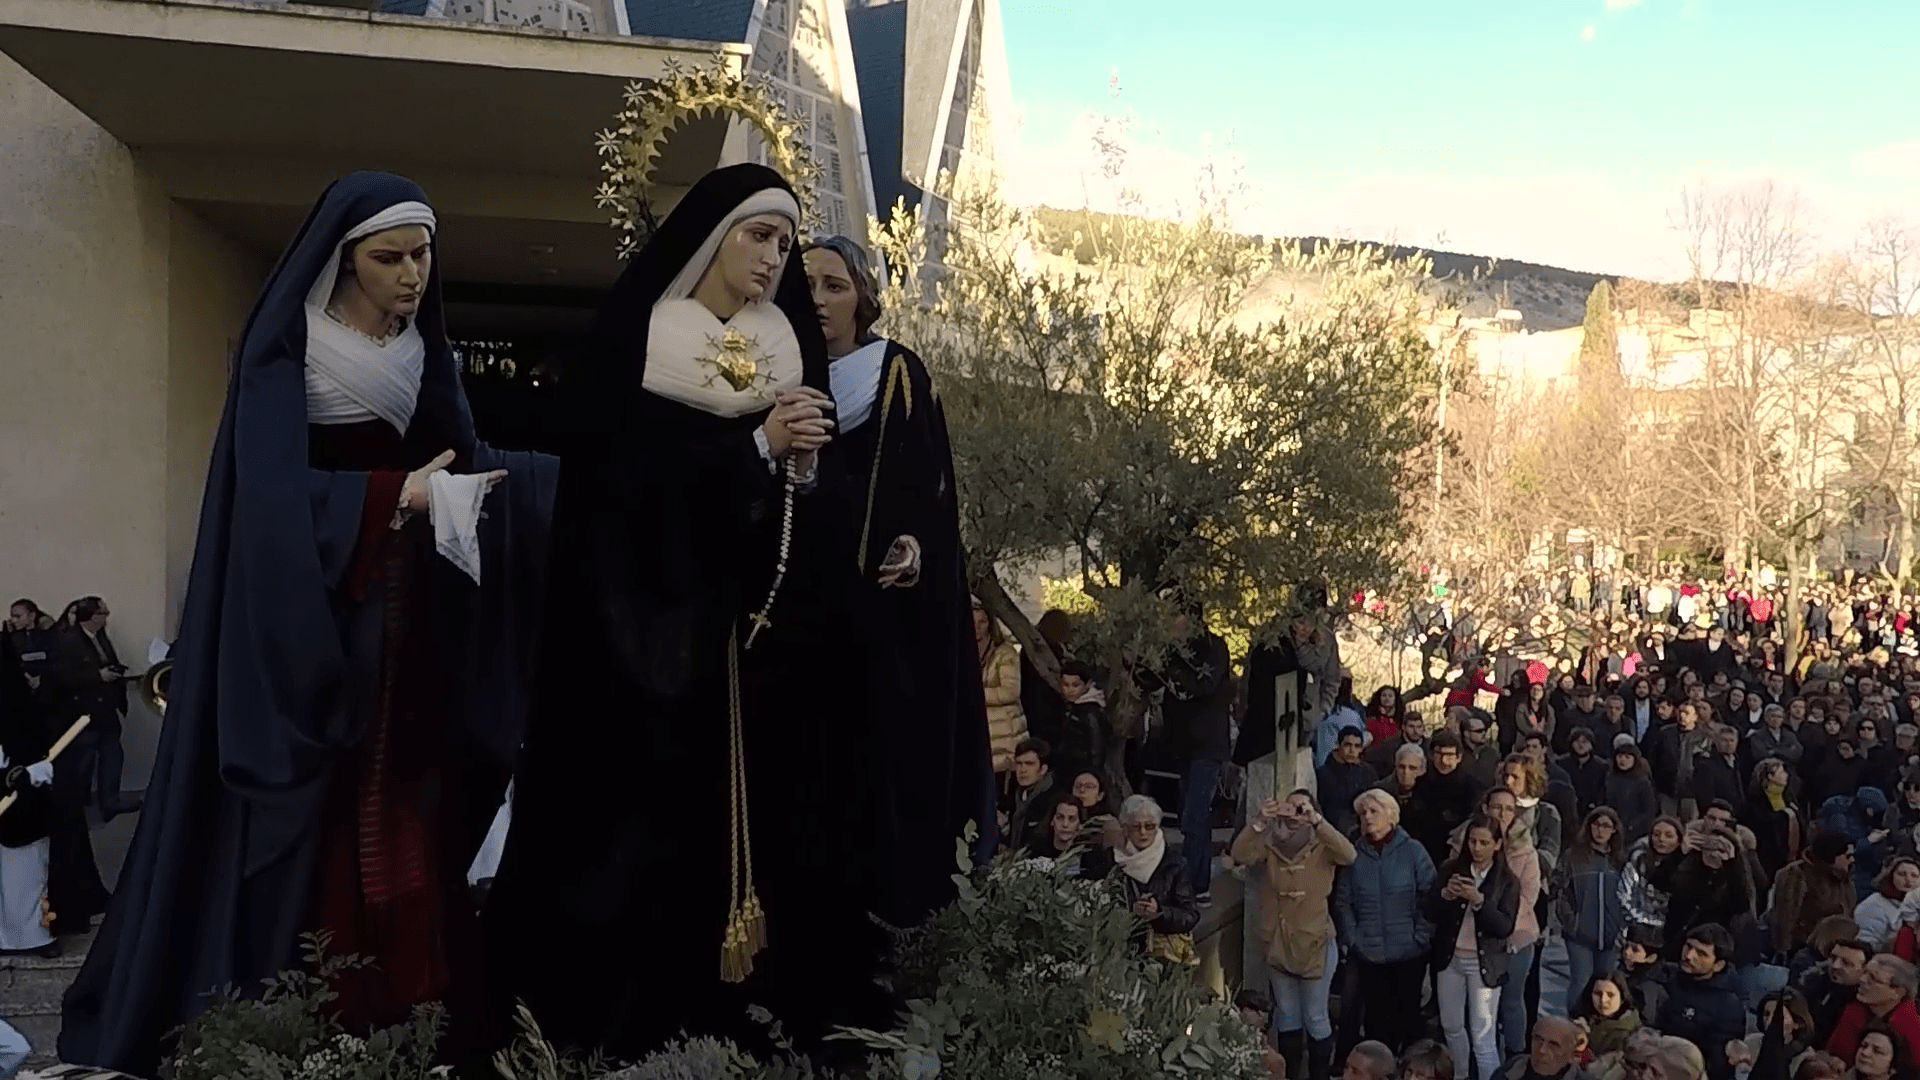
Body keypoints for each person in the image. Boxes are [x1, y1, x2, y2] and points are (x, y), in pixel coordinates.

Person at [61, 173, 559, 1076]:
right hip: (314, 632)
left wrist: (544, 490)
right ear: (342, 258)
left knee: (408, 811)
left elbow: (469, 461)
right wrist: (391, 498)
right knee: (323, 828)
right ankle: (301, 1022)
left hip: (409, 637)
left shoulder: (418, 354)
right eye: (390, 257)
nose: (413, 275)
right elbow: (268, 504)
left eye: (423, 255)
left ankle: (412, 1017)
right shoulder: (287, 355)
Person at [483, 164, 904, 1060]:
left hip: (757, 662)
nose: (772, 258)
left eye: (785, 243)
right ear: (714, 236)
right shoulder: (643, 345)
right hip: (645, 662)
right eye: (759, 236)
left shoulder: (790, 354)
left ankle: (739, 1036)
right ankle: (615, 1038)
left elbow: (808, 525)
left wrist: (803, 472)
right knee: (635, 854)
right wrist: (754, 445)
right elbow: (618, 497)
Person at [801, 234, 993, 904]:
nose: (819, 299)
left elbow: (927, 484)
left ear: (863, 296)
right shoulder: (773, 369)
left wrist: (915, 544)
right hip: (797, 601)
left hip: (878, 610)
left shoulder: (894, 371)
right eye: (809, 285)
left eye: (834, 285)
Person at [1233, 790, 1357, 1080]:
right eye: (1291, 807)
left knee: (1315, 1016)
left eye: (1303, 807)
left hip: (1315, 941)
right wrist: (1259, 822)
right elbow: (1239, 854)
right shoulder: (1270, 842)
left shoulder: (1323, 844)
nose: (1296, 813)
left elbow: (1349, 854)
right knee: (1287, 1013)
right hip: (1278, 940)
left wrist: (1317, 822)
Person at [1335, 788, 1437, 1054]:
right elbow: (1343, 901)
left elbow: (1431, 896)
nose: (1367, 818)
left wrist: (1421, 936)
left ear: (1391, 816)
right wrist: (1352, 938)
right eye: (1363, 813)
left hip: (1409, 952)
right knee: (1376, 1024)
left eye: (1373, 811)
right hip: (1369, 953)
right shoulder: (1353, 855)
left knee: (1409, 1020)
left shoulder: (1414, 851)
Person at [1427, 812, 1521, 1080]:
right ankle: (1461, 1075)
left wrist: (1479, 901)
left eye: (1483, 842)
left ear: (1498, 844)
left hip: (1484, 964)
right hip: (1450, 959)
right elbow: (1429, 910)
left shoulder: (1507, 881)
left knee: (1483, 1037)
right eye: (1472, 842)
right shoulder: (1451, 869)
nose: (1476, 848)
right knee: (1452, 1026)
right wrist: (1445, 896)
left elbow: (1504, 927)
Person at [47, 597, 140, 819]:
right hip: (83, 712)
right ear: (89, 617)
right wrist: (97, 675)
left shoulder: (101, 639)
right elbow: (61, 677)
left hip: (106, 710)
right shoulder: (68, 641)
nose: (106, 617)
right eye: (102, 613)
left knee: (112, 758)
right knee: (83, 763)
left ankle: (110, 803)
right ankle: (73, 810)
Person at [1163, 608, 1234, 900]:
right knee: (1189, 815)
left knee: (1195, 814)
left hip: (1207, 743)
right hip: (1183, 743)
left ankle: (1195, 882)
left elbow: (1205, 685)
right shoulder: (1169, 649)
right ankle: (1192, 878)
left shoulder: (1213, 648)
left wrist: (1175, 670)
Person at [1107, 794, 1200, 955]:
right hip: (1120, 951)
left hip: (1162, 955)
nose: (1143, 832)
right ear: (1125, 828)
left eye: (1149, 826)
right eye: (1136, 827)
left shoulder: (1174, 863)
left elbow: (1190, 915)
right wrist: (1131, 912)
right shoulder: (1110, 861)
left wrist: (1159, 912)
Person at [1560, 808, 1628, 1014]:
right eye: (1596, 824)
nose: (1600, 830)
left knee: (1606, 984)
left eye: (1606, 826)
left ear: (1615, 830)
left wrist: (1622, 927)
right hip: (1580, 935)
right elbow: (1560, 892)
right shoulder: (1574, 856)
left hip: (1611, 935)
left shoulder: (1620, 859)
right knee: (1580, 982)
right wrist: (1571, 923)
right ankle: (1574, 1025)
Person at [1660, 924, 1750, 1080]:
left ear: (1718, 965)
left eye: (1701, 954)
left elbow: (1717, 1065)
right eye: (1688, 946)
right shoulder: (1666, 979)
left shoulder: (1728, 1005)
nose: (1689, 956)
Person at [1775, 830, 1862, 957]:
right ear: (1832, 856)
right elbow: (1785, 918)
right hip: (1805, 949)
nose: (1852, 860)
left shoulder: (1845, 878)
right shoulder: (1797, 874)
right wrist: (1784, 951)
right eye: (1847, 856)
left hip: (1837, 948)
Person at [1827, 955, 1920, 1070]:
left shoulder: (1911, 1028)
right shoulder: (1854, 1010)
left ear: (1898, 992)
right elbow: (1834, 1054)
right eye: (1864, 972)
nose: (1862, 979)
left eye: (1872, 978)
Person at [977, 600, 1028, 777]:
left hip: (1004, 735)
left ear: (990, 623)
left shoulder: (1005, 652)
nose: (976, 627)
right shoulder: (963, 652)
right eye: (972, 621)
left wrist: (975, 694)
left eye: (982, 622)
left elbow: (1010, 692)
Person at [1622, 816, 1685, 943]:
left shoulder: (1685, 863)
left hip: (1670, 926)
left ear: (1679, 840)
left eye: (1668, 836)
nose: (1661, 839)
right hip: (1638, 922)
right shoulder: (1638, 858)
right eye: (1656, 834)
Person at [1802, 938, 1873, 1047]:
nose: (1836, 966)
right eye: (1833, 958)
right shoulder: (1813, 983)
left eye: (1846, 963)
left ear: (1864, 970)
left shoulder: (1864, 1004)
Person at [1320, 726, 1378, 837]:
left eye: (1357, 746)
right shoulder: (1324, 773)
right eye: (1347, 745)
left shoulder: (1368, 772)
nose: (1352, 751)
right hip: (1333, 832)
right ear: (1338, 745)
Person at [1003, 738, 1056, 852]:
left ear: (1043, 769)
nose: (1023, 770)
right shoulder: (1016, 796)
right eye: (1019, 764)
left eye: (1029, 764)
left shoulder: (1053, 799)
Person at [1572, 971, 1643, 1057]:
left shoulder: (1629, 1034)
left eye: (1610, 994)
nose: (1603, 1000)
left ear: (1622, 997)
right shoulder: (1584, 1020)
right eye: (1598, 993)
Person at [1856, 858, 1920, 952]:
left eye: (1914, 876)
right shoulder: (1874, 904)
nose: (1908, 879)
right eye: (1902, 874)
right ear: (1890, 876)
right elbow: (1866, 945)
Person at [1493, 1015, 1586, 1080]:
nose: (1542, 1050)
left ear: (1571, 1054)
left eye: (1553, 1045)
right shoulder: (1511, 1068)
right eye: (1538, 1040)